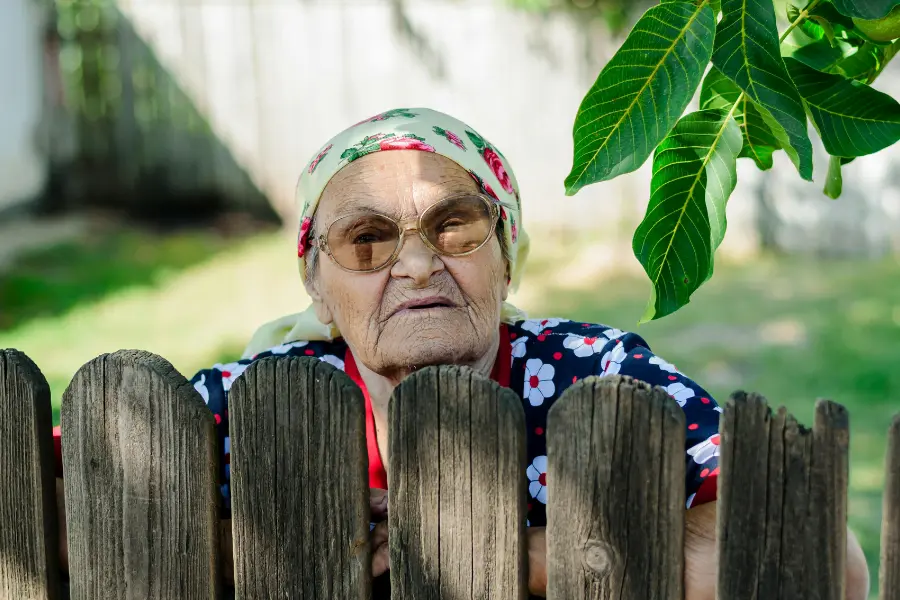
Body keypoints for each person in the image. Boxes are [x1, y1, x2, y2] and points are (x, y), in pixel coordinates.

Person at [56, 108, 869, 599]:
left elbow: (823, 561)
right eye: (367, 240)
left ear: (506, 256)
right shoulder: (255, 400)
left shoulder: (595, 374)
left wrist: (513, 555)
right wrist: (266, 539)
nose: (417, 265)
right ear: (315, 285)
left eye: (454, 226)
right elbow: (55, 499)